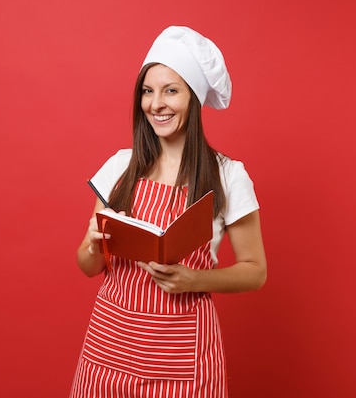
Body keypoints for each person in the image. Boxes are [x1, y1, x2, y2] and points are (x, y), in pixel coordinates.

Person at [70, 26, 267, 398]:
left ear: (193, 98)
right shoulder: (120, 167)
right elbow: (86, 265)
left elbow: (255, 272)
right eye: (148, 91)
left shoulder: (227, 175)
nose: (155, 104)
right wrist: (95, 248)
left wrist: (193, 280)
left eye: (170, 91)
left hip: (182, 359)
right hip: (108, 351)